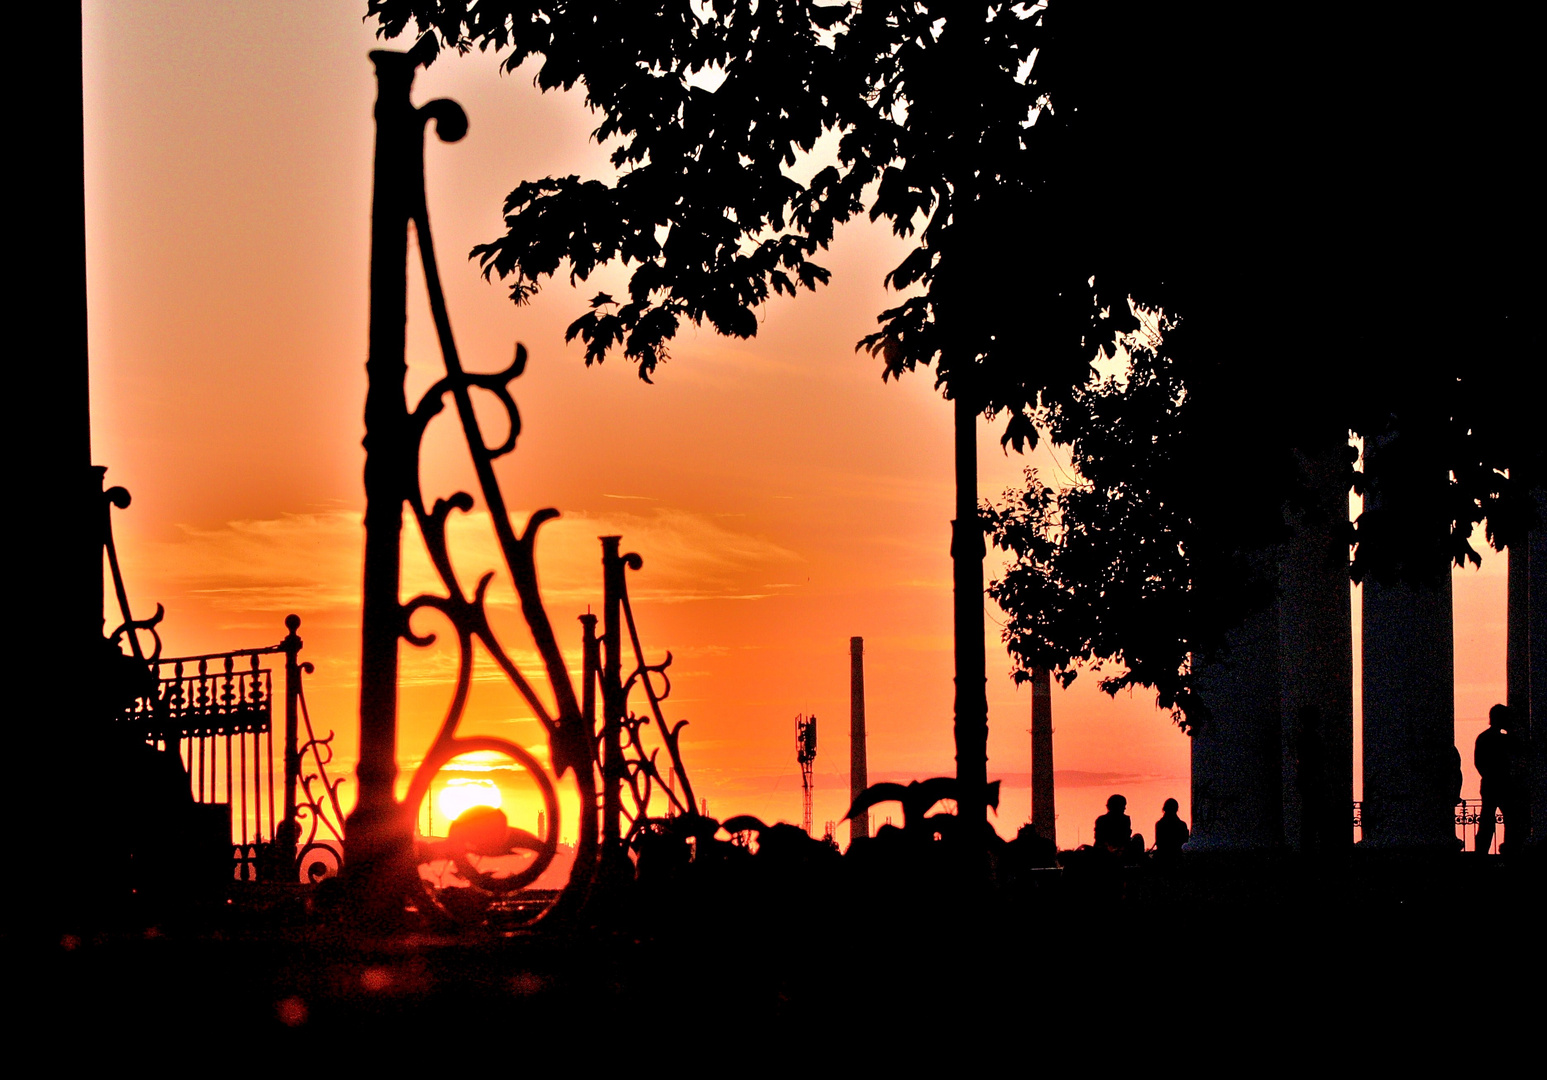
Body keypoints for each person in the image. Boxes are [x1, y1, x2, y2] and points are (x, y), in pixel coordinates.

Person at [1474, 704, 1521, 854]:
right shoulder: (1505, 740)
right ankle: (1509, 849)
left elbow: (1479, 762)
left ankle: (1482, 851)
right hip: (1503, 784)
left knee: (1488, 819)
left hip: (1490, 783)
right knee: (1510, 818)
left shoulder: (1484, 737)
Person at [1093, 794, 1145, 860]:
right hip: (1106, 851)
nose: (1124, 808)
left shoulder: (1102, 819)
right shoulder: (1124, 820)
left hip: (1118, 850)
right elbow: (1100, 839)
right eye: (1123, 805)